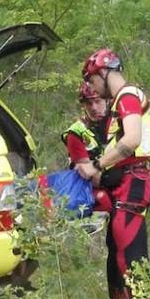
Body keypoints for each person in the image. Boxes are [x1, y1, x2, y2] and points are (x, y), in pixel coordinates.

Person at [76, 48, 150, 299]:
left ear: (102, 72)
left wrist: (96, 166)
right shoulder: (123, 99)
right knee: (123, 249)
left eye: (91, 80)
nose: (92, 87)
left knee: (131, 253)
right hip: (129, 180)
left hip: (135, 181)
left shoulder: (127, 96)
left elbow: (132, 139)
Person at [61, 82, 112, 213]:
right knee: (104, 199)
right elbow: (87, 173)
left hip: (117, 184)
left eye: (97, 101)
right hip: (89, 191)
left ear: (107, 101)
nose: (94, 108)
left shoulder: (118, 124)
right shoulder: (76, 132)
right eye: (89, 103)